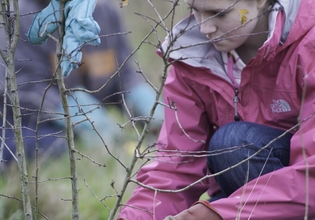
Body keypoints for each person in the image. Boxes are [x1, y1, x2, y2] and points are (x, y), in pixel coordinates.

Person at [117, 0, 315, 219]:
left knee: (232, 144)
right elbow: (175, 165)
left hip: (301, 195)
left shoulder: (309, 43)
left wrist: (217, 215)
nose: (204, 28)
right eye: (195, 11)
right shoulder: (191, 57)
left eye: (217, 14)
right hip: (242, 201)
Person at [0, 0, 163, 171]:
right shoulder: (24, 16)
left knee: (67, 143)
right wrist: (64, 107)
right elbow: (22, 85)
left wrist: (137, 93)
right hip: (8, 121)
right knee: (52, 145)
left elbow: (122, 73)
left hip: (60, 126)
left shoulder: (106, 12)